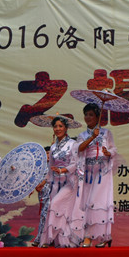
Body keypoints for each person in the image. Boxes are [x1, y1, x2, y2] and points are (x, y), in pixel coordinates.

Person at [39, 117, 84, 247]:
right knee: (62, 211)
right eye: (55, 126)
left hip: (70, 182)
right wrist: (42, 183)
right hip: (55, 182)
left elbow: (75, 164)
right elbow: (50, 168)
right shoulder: (53, 147)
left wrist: (63, 169)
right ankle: (63, 242)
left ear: (66, 128)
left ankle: (49, 238)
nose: (57, 129)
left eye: (60, 126)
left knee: (55, 205)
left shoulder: (73, 144)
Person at [76, 103, 117, 247]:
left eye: (91, 115)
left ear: (98, 117)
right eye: (86, 114)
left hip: (103, 171)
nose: (88, 117)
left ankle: (95, 236)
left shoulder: (106, 133)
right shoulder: (82, 135)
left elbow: (113, 148)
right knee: (89, 202)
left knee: (100, 202)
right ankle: (98, 235)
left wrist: (108, 153)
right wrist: (92, 137)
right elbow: (79, 149)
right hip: (89, 171)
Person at [31, 146, 52, 247]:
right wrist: (35, 187)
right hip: (42, 194)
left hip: (52, 193)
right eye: (46, 153)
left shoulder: (54, 165)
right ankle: (41, 238)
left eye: (49, 153)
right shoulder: (40, 166)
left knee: (46, 214)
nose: (48, 155)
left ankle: (43, 239)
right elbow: (35, 178)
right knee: (43, 216)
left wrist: (43, 183)